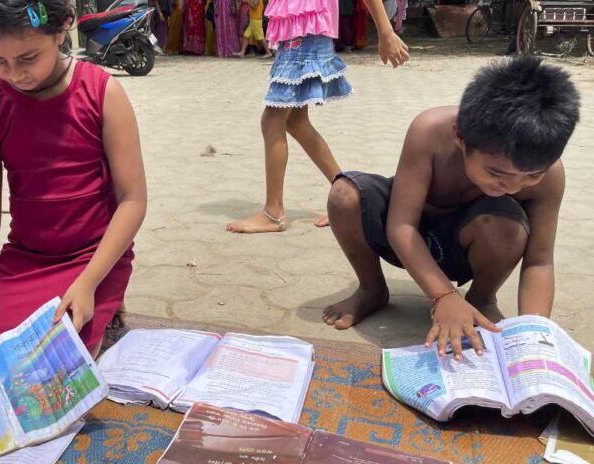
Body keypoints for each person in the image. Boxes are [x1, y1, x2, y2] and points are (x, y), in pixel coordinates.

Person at [0, 0, 147, 367]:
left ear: (60, 31)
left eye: (28, 58)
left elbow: (132, 200)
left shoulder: (102, 93)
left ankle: (109, 294)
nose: (14, 74)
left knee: (57, 366)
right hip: (25, 260)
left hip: (93, 257)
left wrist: (90, 281)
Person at [324, 57, 580, 360]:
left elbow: (539, 263)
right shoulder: (430, 131)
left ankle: (481, 300)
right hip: (408, 238)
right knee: (344, 195)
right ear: (460, 136)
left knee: (507, 229)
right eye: (496, 173)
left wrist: (536, 335)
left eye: (531, 175)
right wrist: (444, 295)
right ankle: (372, 290)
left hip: (468, 247)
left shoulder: (549, 176)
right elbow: (401, 226)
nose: (512, 186)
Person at [226, 0, 408, 233]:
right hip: (300, 28)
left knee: (272, 119)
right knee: (296, 121)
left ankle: (274, 212)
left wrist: (386, 31)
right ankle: (350, 196)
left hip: (305, 31)